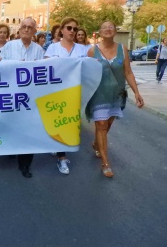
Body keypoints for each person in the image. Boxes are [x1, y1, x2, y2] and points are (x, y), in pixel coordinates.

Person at [85, 21, 144, 178]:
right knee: (102, 125)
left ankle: (97, 143)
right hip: (98, 95)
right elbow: (88, 75)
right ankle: (105, 163)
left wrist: (137, 93)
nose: (108, 29)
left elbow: (128, 72)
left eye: (111, 27)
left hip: (116, 94)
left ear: (115, 31)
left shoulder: (122, 49)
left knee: (107, 124)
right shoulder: (92, 51)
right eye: (104, 27)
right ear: (99, 32)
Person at [0, 17, 44, 178]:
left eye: (30, 27)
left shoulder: (39, 50)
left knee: (29, 130)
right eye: (24, 26)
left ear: (34, 31)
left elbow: (43, 74)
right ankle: (12, 149)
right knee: (12, 127)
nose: (26, 29)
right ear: (19, 29)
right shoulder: (9, 47)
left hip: (30, 99)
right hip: (11, 96)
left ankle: (25, 165)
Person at [44, 17, 87, 175]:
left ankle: (58, 147)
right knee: (60, 122)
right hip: (57, 92)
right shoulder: (53, 48)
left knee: (69, 124)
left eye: (75, 29)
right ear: (61, 30)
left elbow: (88, 69)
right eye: (69, 28)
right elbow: (46, 67)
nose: (72, 31)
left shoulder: (82, 49)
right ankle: (62, 159)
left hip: (74, 92)